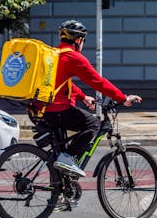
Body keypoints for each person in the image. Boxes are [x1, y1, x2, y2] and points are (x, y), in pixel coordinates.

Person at [40, 20, 141, 178]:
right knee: (93, 124)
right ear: (78, 40)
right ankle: (67, 159)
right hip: (57, 109)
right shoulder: (72, 57)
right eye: (83, 40)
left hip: (43, 109)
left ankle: (59, 192)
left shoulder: (53, 54)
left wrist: (82, 97)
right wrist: (123, 98)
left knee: (61, 156)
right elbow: (97, 81)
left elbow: (61, 83)